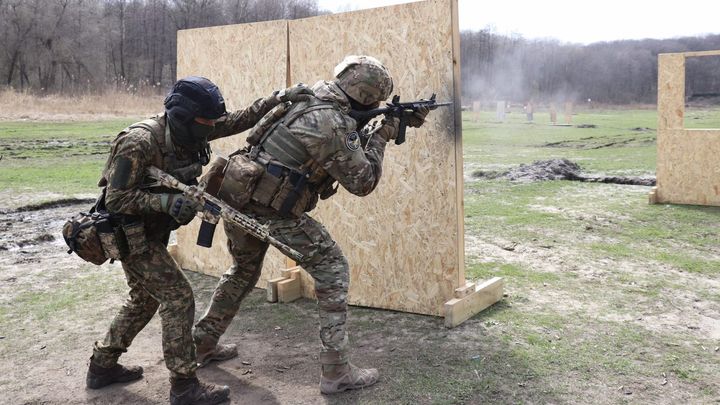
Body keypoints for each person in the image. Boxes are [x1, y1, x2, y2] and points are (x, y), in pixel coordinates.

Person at [191, 55, 429, 394]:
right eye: (374, 102)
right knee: (333, 268)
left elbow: (336, 141)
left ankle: (202, 342)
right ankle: (336, 372)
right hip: (271, 208)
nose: (376, 106)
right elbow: (362, 181)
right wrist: (384, 134)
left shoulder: (311, 98)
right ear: (364, 96)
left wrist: (382, 123)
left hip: (240, 196)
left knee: (243, 271)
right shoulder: (331, 122)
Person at [85, 76, 312, 405]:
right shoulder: (139, 141)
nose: (212, 128)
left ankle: (102, 366)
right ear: (183, 117)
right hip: (129, 233)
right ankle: (184, 385)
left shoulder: (194, 129)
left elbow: (239, 119)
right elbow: (117, 199)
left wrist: (279, 98)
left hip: (153, 231)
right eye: (206, 123)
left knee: (143, 300)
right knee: (178, 298)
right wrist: (166, 203)